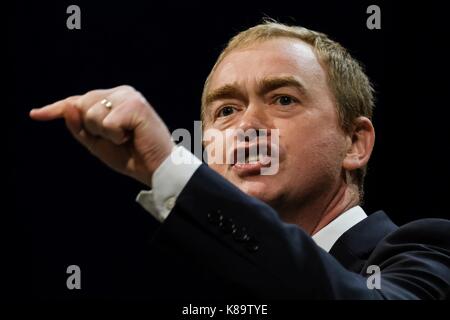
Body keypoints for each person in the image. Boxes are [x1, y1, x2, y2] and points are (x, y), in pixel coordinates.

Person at [29, 21, 450, 299]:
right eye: (225, 110)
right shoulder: (211, 286)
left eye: (283, 100)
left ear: (355, 143)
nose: (246, 127)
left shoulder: (427, 251)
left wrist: (167, 165)